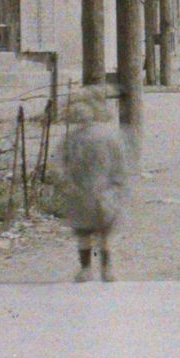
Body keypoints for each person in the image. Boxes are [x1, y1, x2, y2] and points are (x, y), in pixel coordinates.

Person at [60, 85, 133, 282]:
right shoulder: (110, 136)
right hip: (101, 190)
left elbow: (64, 163)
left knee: (87, 233)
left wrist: (69, 182)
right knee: (101, 233)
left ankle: (88, 268)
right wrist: (119, 185)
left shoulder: (74, 138)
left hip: (85, 190)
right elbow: (120, 164)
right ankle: (104, 269)